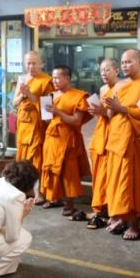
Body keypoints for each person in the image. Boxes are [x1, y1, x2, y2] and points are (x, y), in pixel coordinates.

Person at [104, 49, 140, 240]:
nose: (124, 65)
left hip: (133, 140)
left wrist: (122, 108)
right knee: (115, 181)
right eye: (122, 62)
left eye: (129, 61)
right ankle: (121, 217)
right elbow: (109, 114)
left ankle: (135, 224)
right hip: (115, 139)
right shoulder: (119, 85)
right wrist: (107, 110)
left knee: (130, 182)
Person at [40, 66, 91, 216]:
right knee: (51, 168)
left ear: (67, 78)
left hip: (68, 139)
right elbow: (47, 120)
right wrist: (45, 113)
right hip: (52, 138)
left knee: (69, 172)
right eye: (53, 77)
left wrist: (57, 112)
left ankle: (70, 203)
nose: (54, 81)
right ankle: (54, 198)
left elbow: (76, 121)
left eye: (57, 78)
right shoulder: (50, 96)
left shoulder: (79, 96)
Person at [13, 51, 54, 204]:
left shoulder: (47, 81)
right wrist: (23, 95)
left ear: (41, 63)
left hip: (37, 124)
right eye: (28, 63)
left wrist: (29, 94)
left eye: (34, 63)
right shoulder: (22, 79)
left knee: (37, 160)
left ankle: (39, 193)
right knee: (22, 159)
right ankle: (24, 190)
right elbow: (15, 102)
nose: (31, 66)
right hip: (23, 123)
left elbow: (47, 108)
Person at [86, 58, 123, 229]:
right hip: (102, 132)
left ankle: (111, 208)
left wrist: (103, 111)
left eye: (108, 70)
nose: (104, 73)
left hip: (114, 134)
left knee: (111, 174)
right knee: (99, 173)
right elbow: (104, 113)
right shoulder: (102, 89)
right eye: (101, 70)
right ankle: (100, 207)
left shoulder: (122, 88)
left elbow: (117, 114)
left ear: (117, 70)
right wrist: (97, 111)